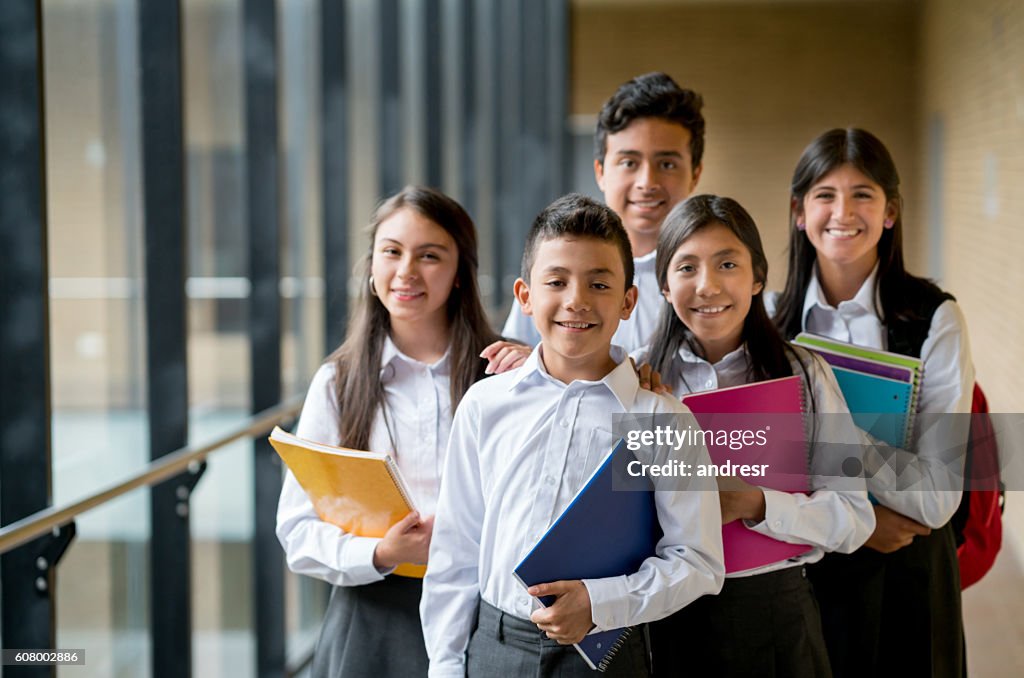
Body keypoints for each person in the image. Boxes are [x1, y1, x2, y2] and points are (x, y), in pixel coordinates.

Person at [420, 194, 725, 677]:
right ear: (525, 297)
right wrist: (445, 666)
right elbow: (456, 552)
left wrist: (601, 602)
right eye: (556, 282)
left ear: (628, 301)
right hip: (494, 648)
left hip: (608, 651)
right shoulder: (485, 405)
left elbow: (699, 562)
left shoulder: (665, 421)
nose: (576, 300)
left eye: (599, 283)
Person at [634, 194, 874, 676]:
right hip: (665, 617)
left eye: (727, 264)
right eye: (686, 268)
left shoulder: (805, 374)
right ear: (663, 284)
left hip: (774, 615)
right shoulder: (637, 380)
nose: (707, 286)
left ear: (757, 277)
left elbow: (855, 517)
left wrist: (755, 504)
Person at [770, 128, 974, 677]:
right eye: (824, 195)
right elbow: (759, 462)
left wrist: (821, 438)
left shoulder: (933, 318)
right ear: (798, 211)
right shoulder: (768, 321)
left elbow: (935, 496)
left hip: (907, 573)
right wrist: (862, 519)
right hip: (802, 572)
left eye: (863, 193)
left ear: (890, 212)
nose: (843, 211)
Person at [275, 186, 501, 678]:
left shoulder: (505, 375)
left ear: (461, 273)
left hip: (484, 611)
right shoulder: (339, 383)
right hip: (372, 621)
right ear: (372, 267)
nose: (407, 272)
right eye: (392, 252)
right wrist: (380, 553)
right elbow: (297, 531)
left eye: (430, 256)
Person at [482, 72, 706, 373]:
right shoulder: (552, 266)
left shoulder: (709, 282)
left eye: (666, 164)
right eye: (629, 163)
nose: (647, 182)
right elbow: (516, 374)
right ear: (600, 171)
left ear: (695, 173)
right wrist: (528, 364)